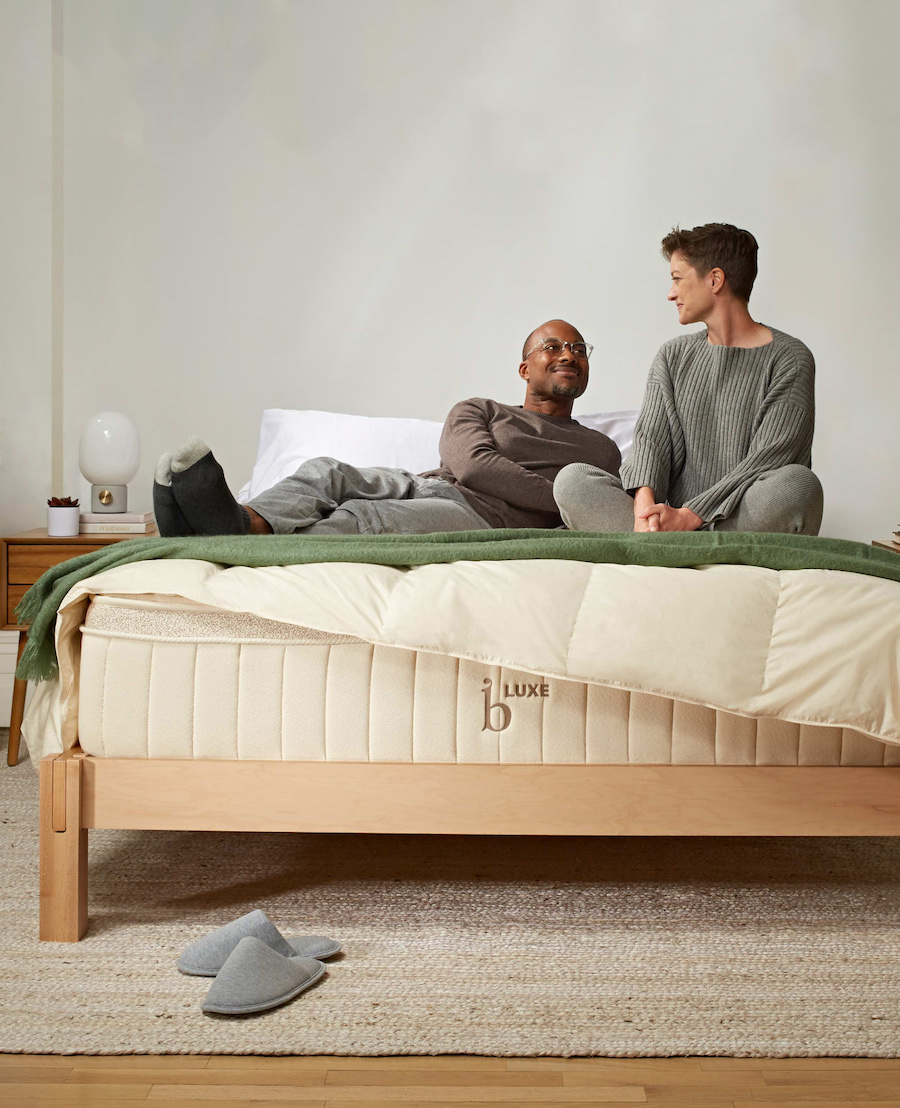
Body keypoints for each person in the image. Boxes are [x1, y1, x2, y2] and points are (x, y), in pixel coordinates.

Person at [152, 319, 621, 537]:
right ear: (524, 369)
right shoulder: (478, 408)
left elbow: (583, 504)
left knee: (367, 519)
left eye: (579, 348)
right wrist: (550, 493)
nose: (568, 355)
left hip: (482, 519)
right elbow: (473, 466)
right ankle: (244, 523)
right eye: (553, 346)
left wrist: (552, 501)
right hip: (428, 484)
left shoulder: (600, 451)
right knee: (325, 472)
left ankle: (217, 533)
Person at [554, 224, 823, 535]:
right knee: (573, 481)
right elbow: (649, 442)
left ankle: (660, 551)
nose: (671, 293)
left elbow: (769, 460)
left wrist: (690, 516)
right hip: (669, 527)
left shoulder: (790, 357)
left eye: (677, 279)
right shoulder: (672, 355)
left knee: (798, 486)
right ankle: (661, 545)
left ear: (714, 279)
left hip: (736, 524)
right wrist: (644, 507)